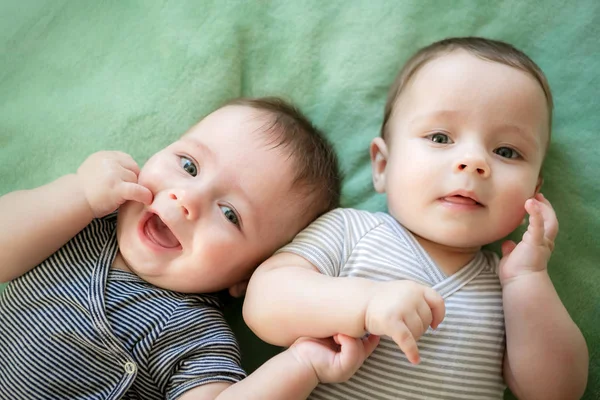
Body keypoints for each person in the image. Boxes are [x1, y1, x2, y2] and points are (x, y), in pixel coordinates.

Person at [243, 38, 589, 399]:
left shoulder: (509, 287)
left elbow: (557, 392)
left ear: (534, 191)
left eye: (506, 151)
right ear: (383, 165)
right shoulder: (351, 230)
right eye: (440, 137)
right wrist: (365, 303)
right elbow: (265, 302)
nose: (473, 162)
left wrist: (528, 279)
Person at [0, 97, 380, 399]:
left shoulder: (194, 333)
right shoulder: (80, 223)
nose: (189, 200)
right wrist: (78, 193)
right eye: (189, 166)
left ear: (247, 277)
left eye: (230, 214)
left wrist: (302, 365)